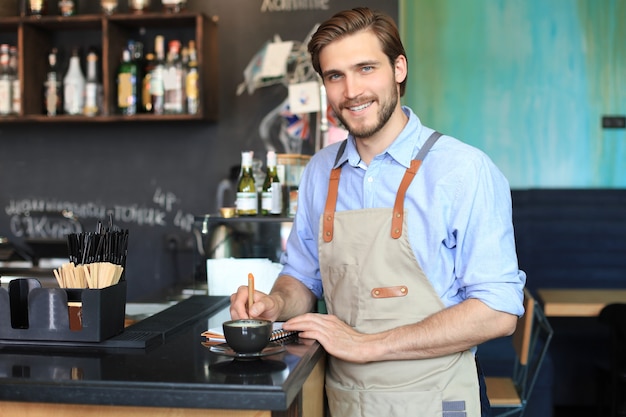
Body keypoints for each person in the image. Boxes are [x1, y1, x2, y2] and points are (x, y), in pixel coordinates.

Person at [231, 7, 526, 417]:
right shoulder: (320, 171)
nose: (351, 91)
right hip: (344, 399)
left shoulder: (464, 170)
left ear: (398, 68)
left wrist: (367, 344)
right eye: (335, 76)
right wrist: (275, 305)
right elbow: (302, 276)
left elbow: (498, 311)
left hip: (437, 398)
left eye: (366, 68)